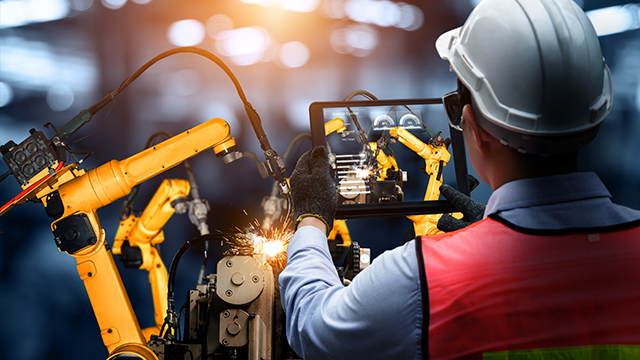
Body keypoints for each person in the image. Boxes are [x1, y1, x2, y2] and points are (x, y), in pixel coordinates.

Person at [279, 0, 640, 359]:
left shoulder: (420, 277)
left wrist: (310, 219)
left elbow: (315, 329)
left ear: (474, 127)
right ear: (594, 120)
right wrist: (492, 231)